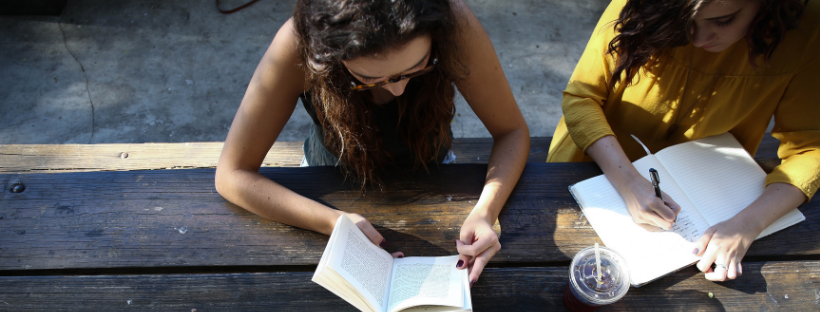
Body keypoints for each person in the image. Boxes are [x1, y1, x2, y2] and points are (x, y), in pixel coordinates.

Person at [215, 0, 529, 286]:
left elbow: (511, 131)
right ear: (328, 55)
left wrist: (486, 212)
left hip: (433, 172)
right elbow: (232, 174)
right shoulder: (299, 43)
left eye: (418, 66)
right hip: (325, 182)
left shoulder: (453, 22)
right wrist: (335, 222)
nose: (399, 90)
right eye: (369, 79)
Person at [548, 0, 819, 282]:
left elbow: (812, 148)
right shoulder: (640, 6)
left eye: (724, 20)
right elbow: (582, 97)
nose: (699, 39)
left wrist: (747, 225)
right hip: (590, 163)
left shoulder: (807, 29)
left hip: (714, 196)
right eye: (686, 21)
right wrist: (628, 182)